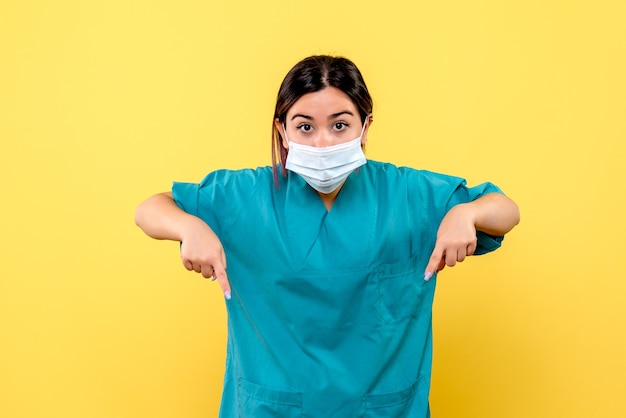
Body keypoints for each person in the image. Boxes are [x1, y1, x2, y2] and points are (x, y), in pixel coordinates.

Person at [135, 55, 520, 417]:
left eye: (340, 125)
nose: (323, 142)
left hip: (382, 408)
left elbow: (505, 210)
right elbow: (150, 209)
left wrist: (466, 212)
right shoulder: (246, 197)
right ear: (282, 131)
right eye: (305, 126)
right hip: (272, 407)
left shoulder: (406, 193)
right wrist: (189, 227)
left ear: (365, 127)